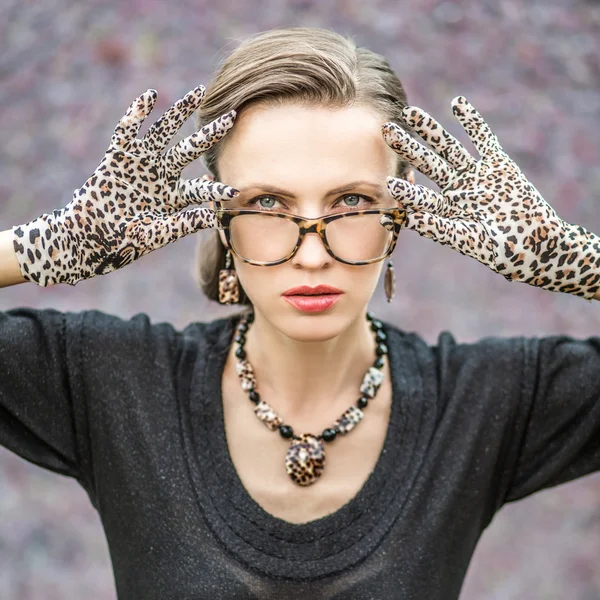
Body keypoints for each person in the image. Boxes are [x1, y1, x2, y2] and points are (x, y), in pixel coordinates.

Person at [1, 26, 599, 600]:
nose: (312, 255)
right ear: (219, 216)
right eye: (266, 202)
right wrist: (39, 248)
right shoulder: (109, 380)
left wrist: (574, 260)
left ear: (405, 206)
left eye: (354, 201)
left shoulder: (489, 401)